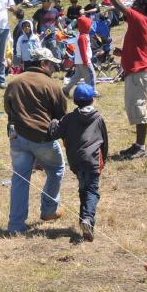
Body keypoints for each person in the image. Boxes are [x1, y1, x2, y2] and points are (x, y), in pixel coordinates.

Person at [3, 49, 68, 233]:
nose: (54, 68)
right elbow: (61, 115)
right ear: (42, 64)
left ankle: (15, 226)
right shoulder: (51, 85)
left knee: (20, 179)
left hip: (17, 137)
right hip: (42, 138)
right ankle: (49, 209)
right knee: (56, 169)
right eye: (52, 65)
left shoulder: (14, 82)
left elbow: (8, 108)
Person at [93, 0, 147, 160]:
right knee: (134, 109)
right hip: (137, 72)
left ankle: (141, 147)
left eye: (135, 4)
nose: (132, 7)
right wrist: (124, 53)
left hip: (139, 73)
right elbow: (140, 49)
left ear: (141, 8)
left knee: (138, 108)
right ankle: (138, 145)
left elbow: (118, 5)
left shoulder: (139, 18)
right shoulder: (141, 23)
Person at [49, 82, 106, 241]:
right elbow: (104, 142)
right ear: (92, 100)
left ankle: (84, 221)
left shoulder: (68, 118)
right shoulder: (98, 118)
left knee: (83, 190)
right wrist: (103, 161)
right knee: (92, 191)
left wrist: (54, 121)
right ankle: (87, 219)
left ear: (74, 101)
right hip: (92, 161)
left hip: (76, 162)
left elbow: (54, 133)